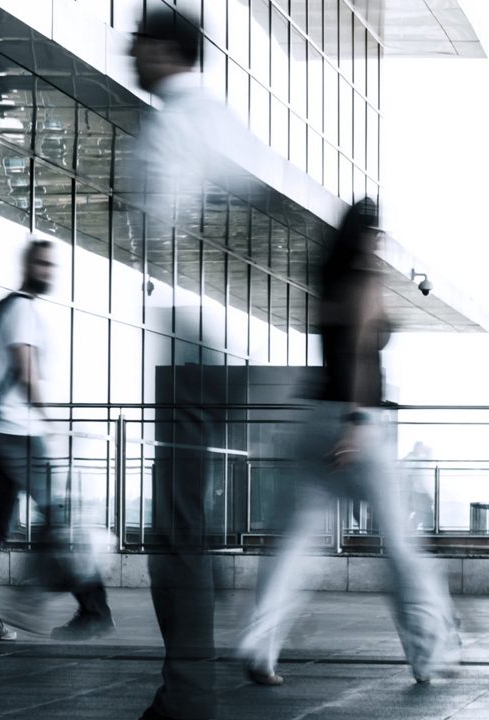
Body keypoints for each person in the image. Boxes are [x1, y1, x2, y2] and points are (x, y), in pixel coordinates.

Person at [236, 199, 460, 686]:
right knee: (401, 545)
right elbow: (359, 352)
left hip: (315, 418)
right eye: (376, 233)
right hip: (356, 426)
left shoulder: (330, 278)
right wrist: (356, 424)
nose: (380, 242)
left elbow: (346, 343)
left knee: (294, 544)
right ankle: (430, 653)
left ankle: (259, 644)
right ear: (364, 236)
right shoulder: (361, 280)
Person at [128, 8, 251, 719]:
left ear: (168, 50)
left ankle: (189, 693)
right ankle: (185, 685)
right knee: (178, 528)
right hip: (203, 338)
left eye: (139, 45)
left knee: (173, 531)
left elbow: (176, 231)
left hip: (186, 339)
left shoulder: (179, 121)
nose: (129, 55)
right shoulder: (209, 117)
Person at [0, 238, 113, 643]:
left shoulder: (9, 308)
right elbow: (26, 371)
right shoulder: (23, 311)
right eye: (42, 264)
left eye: (52, 265)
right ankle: (90, 609)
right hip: (17, 432)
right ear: (28, 266)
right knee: (60, 518)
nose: (48, 271)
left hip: (0, 431)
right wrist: (49, 421)